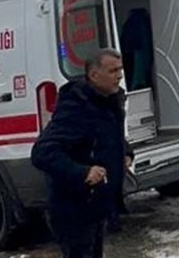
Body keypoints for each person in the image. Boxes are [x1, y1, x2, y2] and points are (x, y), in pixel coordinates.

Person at [30, 49, 133, 258]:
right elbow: (42, 152)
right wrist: (83, 172)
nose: (119, 76)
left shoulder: (109, 101)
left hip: (97, 206)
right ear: (94, 75)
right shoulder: (76, 106)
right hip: (74, 209)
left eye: (120, 69)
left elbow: (110, 135)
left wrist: (126, 152)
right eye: (113, 71)